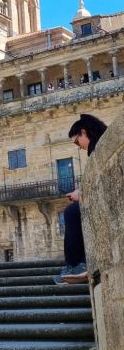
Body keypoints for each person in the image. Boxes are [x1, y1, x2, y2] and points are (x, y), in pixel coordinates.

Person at [54, 113, 108, 285]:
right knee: (72, 212)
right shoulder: (98, 147)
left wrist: (82, 194)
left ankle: (77, 264)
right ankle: (73, 264)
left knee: (71, 213)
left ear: (84, 133)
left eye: (77, 141)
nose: (78, 147)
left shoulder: (98, 147)